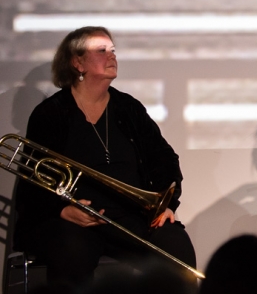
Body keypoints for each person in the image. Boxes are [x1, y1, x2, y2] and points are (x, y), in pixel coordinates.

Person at [14, 26, 197, 290]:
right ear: (77, 63)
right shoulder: (51, 114)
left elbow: (164, 159)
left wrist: (167, 203)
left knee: (177, 246)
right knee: (71, 252)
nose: (112, 56)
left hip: (132, 217)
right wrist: (63, 210)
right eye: (101, 50)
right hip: (77, 222)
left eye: (112, 50)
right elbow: (32, 182)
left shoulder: (128, 108)